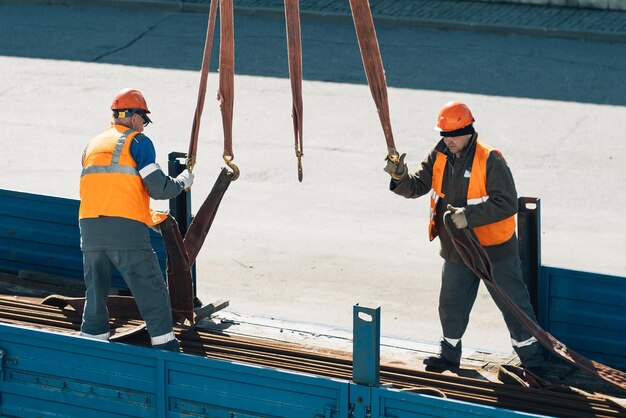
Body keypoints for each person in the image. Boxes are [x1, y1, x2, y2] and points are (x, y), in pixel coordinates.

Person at [384, 101, 544, 373]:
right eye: (444, 135)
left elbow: (506, 203)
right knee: (451, 305)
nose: (448, 140)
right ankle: (449, 356)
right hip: (458, 250)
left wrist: (468, 216)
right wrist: (400, 178)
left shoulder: (490, 159)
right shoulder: (440, 155)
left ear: (469, 130)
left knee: (514, 306)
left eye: (454, 135)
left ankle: (534, 363)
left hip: (494, 251)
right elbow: (417, 186)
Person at [78, 88, 194, 351]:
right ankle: (165, 346)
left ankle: (92, 342)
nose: (145, 126)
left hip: (89, 228)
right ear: (133, 116)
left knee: (95, 290)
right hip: (125, 229)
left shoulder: (92, 144)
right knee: (149, 285)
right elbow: (159, 189)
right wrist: (183, 182)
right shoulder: (137, 142)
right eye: (144, 120)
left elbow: (108, 187)